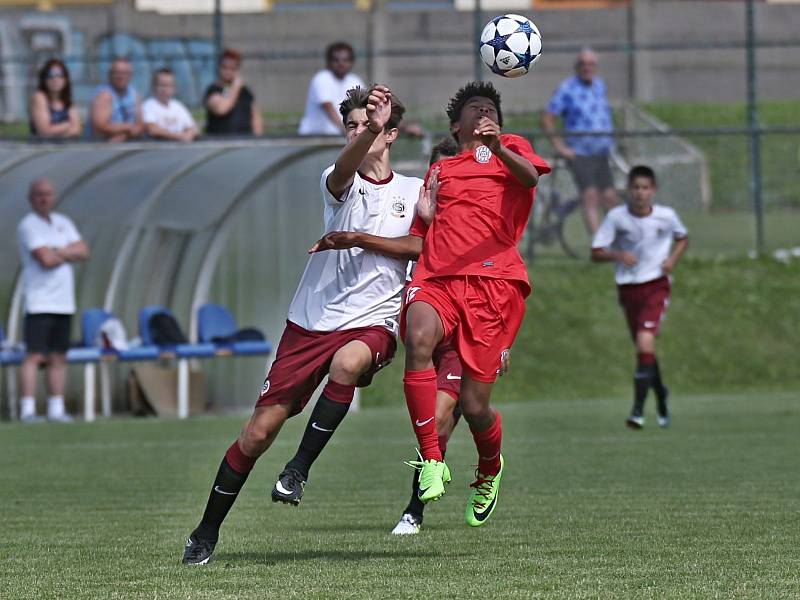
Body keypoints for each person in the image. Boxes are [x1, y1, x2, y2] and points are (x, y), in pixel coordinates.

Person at [182, 85, 422, 565]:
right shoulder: (339, 180)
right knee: (256, 435)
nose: (359, 131)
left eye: (370, 125)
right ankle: (205, 532)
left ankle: (297, 469)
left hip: (372, 320)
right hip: (310, 322)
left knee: (349, 363)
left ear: (394, 134)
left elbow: (422, 249)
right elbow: (345, 169)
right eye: (351, 126)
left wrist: (361, 238)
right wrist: (367, 130)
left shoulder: (414, 191)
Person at [401, 81, 550, 528]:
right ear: (455, 125)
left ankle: (489, 469)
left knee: (475, 403)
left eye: (491, 108)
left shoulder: (512, 148)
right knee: (418, 336)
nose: (485, 113)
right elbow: (421, 233)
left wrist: (499, 147)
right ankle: (431, 458)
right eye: (475, 108)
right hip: (438, 277)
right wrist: (425, 217)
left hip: (494, 285)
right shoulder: (441, 169)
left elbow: (529, 177)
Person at [591, 165, 688, 429]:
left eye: (645, 188)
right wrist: (618, 255)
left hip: (656, 285)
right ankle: (661, 397)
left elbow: (683, 237)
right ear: (629, 190)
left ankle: (637, 411)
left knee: (644, 344)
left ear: (653, 190)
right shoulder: (617, 217)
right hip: (628, 288)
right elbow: (596, 251)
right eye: (635, 188)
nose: (640, 193)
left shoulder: (666, 216)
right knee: (645, 350)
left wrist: (671, 260)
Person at [16, 179, 90, 423]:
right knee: (35, 356)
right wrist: (66, 252)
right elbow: (45, 260)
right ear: (31, 198)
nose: (44, 199)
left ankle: (56, 409)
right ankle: (27, 409)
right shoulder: (28, 225)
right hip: (39, 301)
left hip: (63, 302)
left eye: (47, 194)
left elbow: (83, 251)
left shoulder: (63, 222)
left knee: (59, 356)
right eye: (39, 195)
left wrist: (57, 251)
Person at [542, 48, 618, 234]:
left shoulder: (599, 85)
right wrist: (560, 146)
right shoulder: (567, 88)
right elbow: (548, 117)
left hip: (601, 152)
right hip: (580, 153)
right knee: (590, 195)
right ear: (577, 66)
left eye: (591, 64)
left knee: (609, 196)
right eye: (583, 64)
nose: (587, 68)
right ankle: (598, 245)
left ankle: (619, 239)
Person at [298, 42, 365, 136]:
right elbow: (328, 107)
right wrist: (346, 130)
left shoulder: (355, 81)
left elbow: (362, 108)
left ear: (352, 62)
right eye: (336, 60)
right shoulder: (322, 78)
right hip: (314, 136)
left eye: (345, 60)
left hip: (341, 137)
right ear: (329, 62)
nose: (341, 63)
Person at [204, 48, 263, 136]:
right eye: (224, 67)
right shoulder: (213, 90)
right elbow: (221, 109)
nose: (228, 71)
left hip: (246, 140)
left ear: (237, 69)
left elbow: (256, 120)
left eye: (232, 68)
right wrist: (235, 87)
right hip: (220, 141)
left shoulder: (245, 92)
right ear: (219, 67)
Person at [89, 57, 143, 142]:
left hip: (128, 144)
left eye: (125, 73)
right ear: (110, 75)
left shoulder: (134, 94)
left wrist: (126, 135)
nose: (121, 76)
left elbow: (139, 124)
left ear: (130, 75)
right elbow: (99, 127)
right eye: (117, 73)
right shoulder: (104, 95)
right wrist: (127, 127)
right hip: (103, 147)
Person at [142, 68, 199, 142]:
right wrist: (178, 136)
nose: (165, 89)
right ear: (154, 87)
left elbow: (194, 128)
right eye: (161, 85)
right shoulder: (148, 106)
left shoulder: (178, 106)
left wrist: (189, 134)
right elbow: (152, 129)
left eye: (169, 85)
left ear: (174, 88)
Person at [29, 58, 81, 138]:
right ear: (44, 80)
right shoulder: (39, 97)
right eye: (50, 75)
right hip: (41, 148)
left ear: (66, 79)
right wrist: (67, 125)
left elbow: (76, 130)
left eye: (60, 75)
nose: (55, 79)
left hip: (66, 148)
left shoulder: (67, 101)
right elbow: (45, 132)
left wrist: (55, 130)